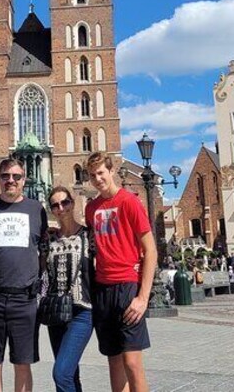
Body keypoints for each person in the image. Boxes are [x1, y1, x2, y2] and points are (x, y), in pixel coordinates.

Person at [0, 158, 48, 392]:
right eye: (5, 176)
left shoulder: (36, 209)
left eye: (16, 176)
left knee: (22, 364)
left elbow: (43, 248)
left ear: (24, 180)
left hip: (24, 299)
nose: (11, 180)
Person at [84, 151, 156, 392]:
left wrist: (142, 297)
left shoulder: (129, 201)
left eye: (101, 173)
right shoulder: (91, 208)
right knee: (114, 361)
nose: (98, 179)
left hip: (127, 285)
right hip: (103, 288)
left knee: (132, 363)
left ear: (111, 171)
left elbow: (150, 250)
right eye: (92, 175)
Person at [44, 187, 95, 392]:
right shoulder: (49, 240)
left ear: (72, 203)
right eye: (55, 205)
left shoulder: (88, 236)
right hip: (56, 313)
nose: (61, 208)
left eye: (65, 202)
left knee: (61, 373)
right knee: (70, 375)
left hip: (81, 313)